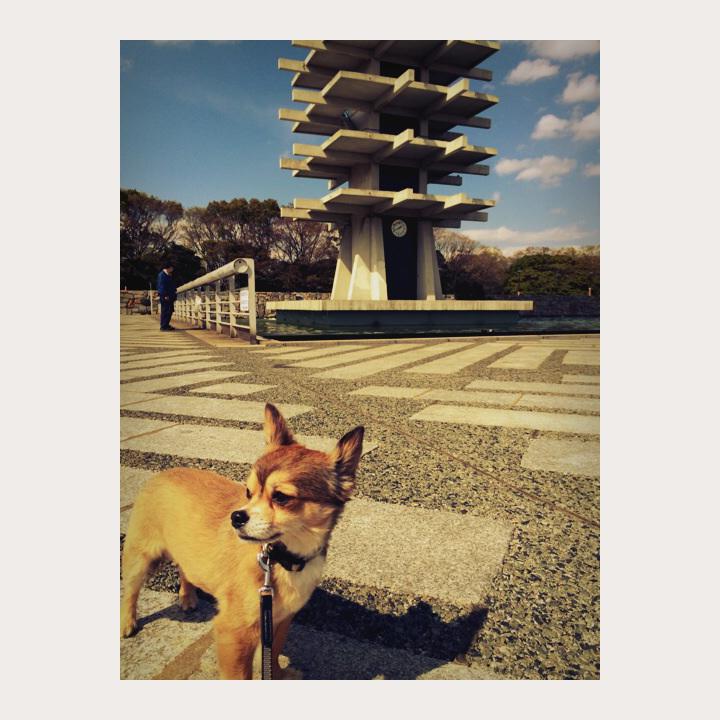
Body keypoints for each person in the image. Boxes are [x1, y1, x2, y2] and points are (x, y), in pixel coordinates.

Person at [156, 262, 177, 331]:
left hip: (169, 295)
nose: (173, 269)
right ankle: (164, 326)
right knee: (166, 311)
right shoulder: (162, 275)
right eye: (172, 267)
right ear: (169, 268)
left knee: (169, 310)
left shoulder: (168, 274)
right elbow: (161, 286)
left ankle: (166, 324)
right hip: (165, 296)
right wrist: (165, 295)